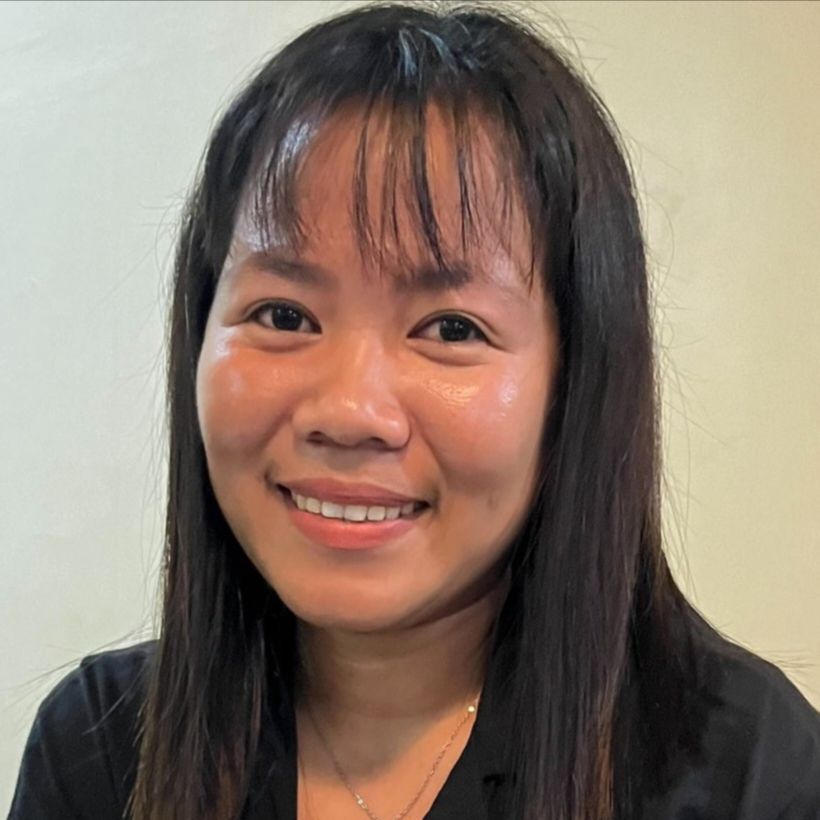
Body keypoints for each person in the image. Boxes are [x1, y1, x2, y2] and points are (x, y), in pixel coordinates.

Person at [9, 2, 820, 819]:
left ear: (577, 380)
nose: (349, 411)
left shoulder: (746, 775)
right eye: (284, 315)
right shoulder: (101, 754)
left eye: (452, 329)